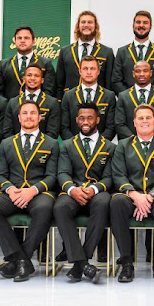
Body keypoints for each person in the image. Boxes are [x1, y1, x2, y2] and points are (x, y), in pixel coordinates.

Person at [0, 100, 59, 282]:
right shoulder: (6, 143)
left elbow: (52, 176)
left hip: (38, 193)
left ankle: (17, 260)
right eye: (25, 113)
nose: (29, 117)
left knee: (45, 208)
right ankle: (22, 259)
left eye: (33, 113)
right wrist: (10, 189)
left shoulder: (52, 143)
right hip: (13, 192)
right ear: (18, 118)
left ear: (40, 117)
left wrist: (32, 190)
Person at [110, 104, 154, 283]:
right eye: (140, 118)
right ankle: (126, 262)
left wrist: (150, 196)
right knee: (116, 203)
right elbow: (118, 176)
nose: (144, 121)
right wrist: (135, 195)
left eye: (148, 118)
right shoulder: (122, 145)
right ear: (134, 122)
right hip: (131, 196)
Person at [53, 103, 115, 283]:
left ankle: (80, 263)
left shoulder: (110, 147)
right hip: (73, 191)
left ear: (97, 119)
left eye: (89, 118)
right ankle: (84, 264)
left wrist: (94, 189)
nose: (85, 121)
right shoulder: (66, 145)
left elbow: (110, 176)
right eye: (82, 118)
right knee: (60, 207)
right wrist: (72, 190)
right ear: (76, 120)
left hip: (97, 192)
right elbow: (62, 173)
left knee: (104, 203)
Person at [56, 11, 115, 97]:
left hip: (97, 102)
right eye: (83, 22)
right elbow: (59, 83)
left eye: (90, 22)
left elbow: (109, 84)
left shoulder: (107, 52)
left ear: (96, 27)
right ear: (78, 26)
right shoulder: (65, 52)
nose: (86, 25)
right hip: (70, 102)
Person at [111, 11, 154, 94]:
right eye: (138, 22)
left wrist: (151, 98)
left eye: (145, 23)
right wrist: (129, 98)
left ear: (150, 26)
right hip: (128, 104)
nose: (141, 25)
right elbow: (116, 81)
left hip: (152, 103)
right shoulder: (122, 52)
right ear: (133, 26)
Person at [60, 56, 116, 141]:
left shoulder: (109, 96)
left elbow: (111, 127)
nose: (89, 72)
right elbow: (64, 127)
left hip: (101, 149)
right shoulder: (68, 96)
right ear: (80, 71)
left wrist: (98, 145)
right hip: (74, 149)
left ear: (98, 71)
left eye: (92, 68)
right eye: (85, 68)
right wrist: (74, 146)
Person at [0, 26, 56, 98]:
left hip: (38, 107)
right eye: (19, 38)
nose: (22, 41)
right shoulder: (3, 64)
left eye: (26, 38)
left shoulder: (45, 63)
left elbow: (49, 90)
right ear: (14, 41)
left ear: (33, 41)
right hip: (10, 107)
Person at [115, 60, 154, 139]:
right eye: (138, 71)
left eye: (145, 71)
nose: (142, 74)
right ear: (133, 74)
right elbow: (119, 124)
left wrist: (152, 140)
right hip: (128, 146)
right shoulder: (123, 96)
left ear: (151, 73)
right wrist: (135, 141)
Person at [3, 63, 61, 139]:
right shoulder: (12, 102)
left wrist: (36, 146)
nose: (32, 78)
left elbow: (53, 132)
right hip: (16, 148)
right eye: (29, 75)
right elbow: (7, 131)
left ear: (42, 80)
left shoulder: (52, 103)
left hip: (43, 148)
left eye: (36, 76)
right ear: (24, 79)